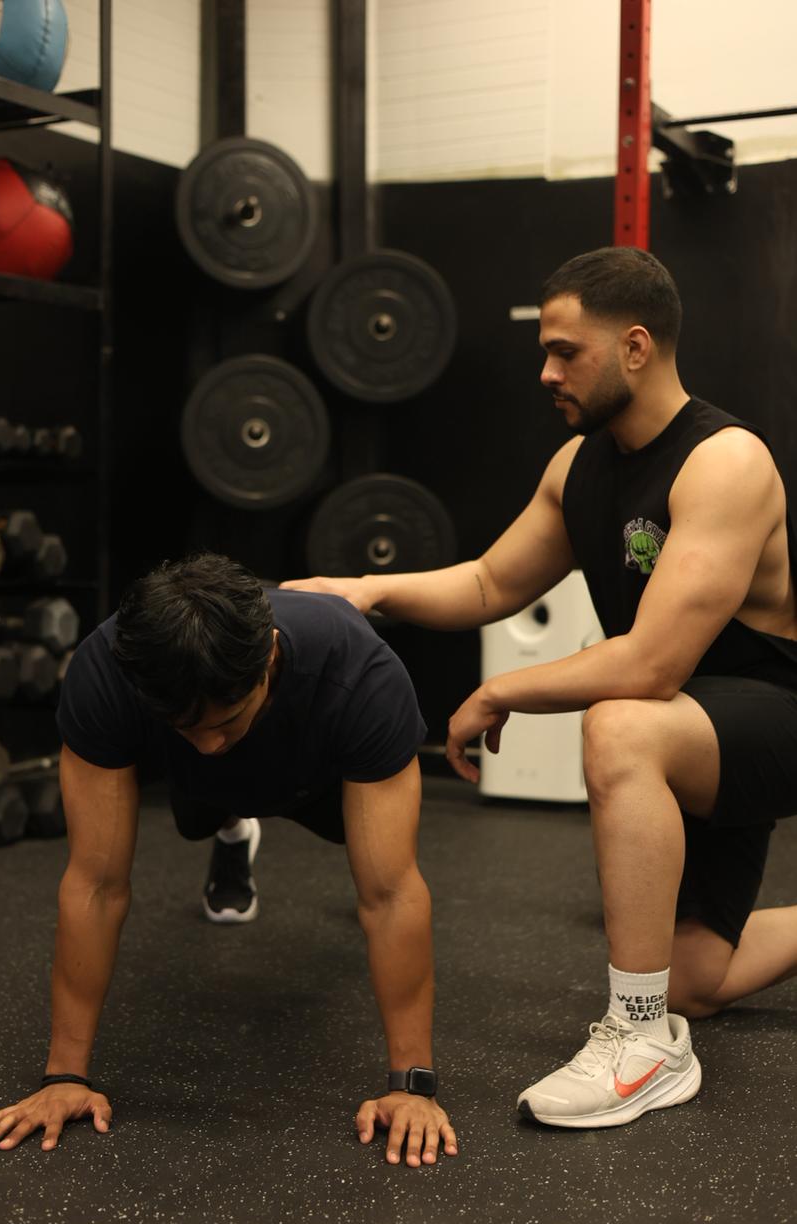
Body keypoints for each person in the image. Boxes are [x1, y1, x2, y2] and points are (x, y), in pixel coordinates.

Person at [282, 246, 797, 1129]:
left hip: (771, 720)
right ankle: (666, 1005)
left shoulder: (725, 463)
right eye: (546, 353)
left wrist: (502, 691)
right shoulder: (576, 468)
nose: (548, 373)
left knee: (621, 722)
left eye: (567, 352)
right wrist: (365, 591)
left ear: (636, 347)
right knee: (697, 979)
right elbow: (490, 582)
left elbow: (653, 666)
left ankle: (643, 1040)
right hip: (697, 734)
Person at [0, 554, 458, 1165]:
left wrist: (412, 1087)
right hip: (194, 782)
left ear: (270, 658)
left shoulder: (361, 675)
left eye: (223, 721)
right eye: (188, 727)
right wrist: (64, 1077)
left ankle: (235, 782)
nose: (208, 744)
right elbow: (95, 884)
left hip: (318, 770)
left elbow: (391, 897)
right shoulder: (108, 671)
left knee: (376, 866)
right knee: (200, 804)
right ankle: (231, 828)